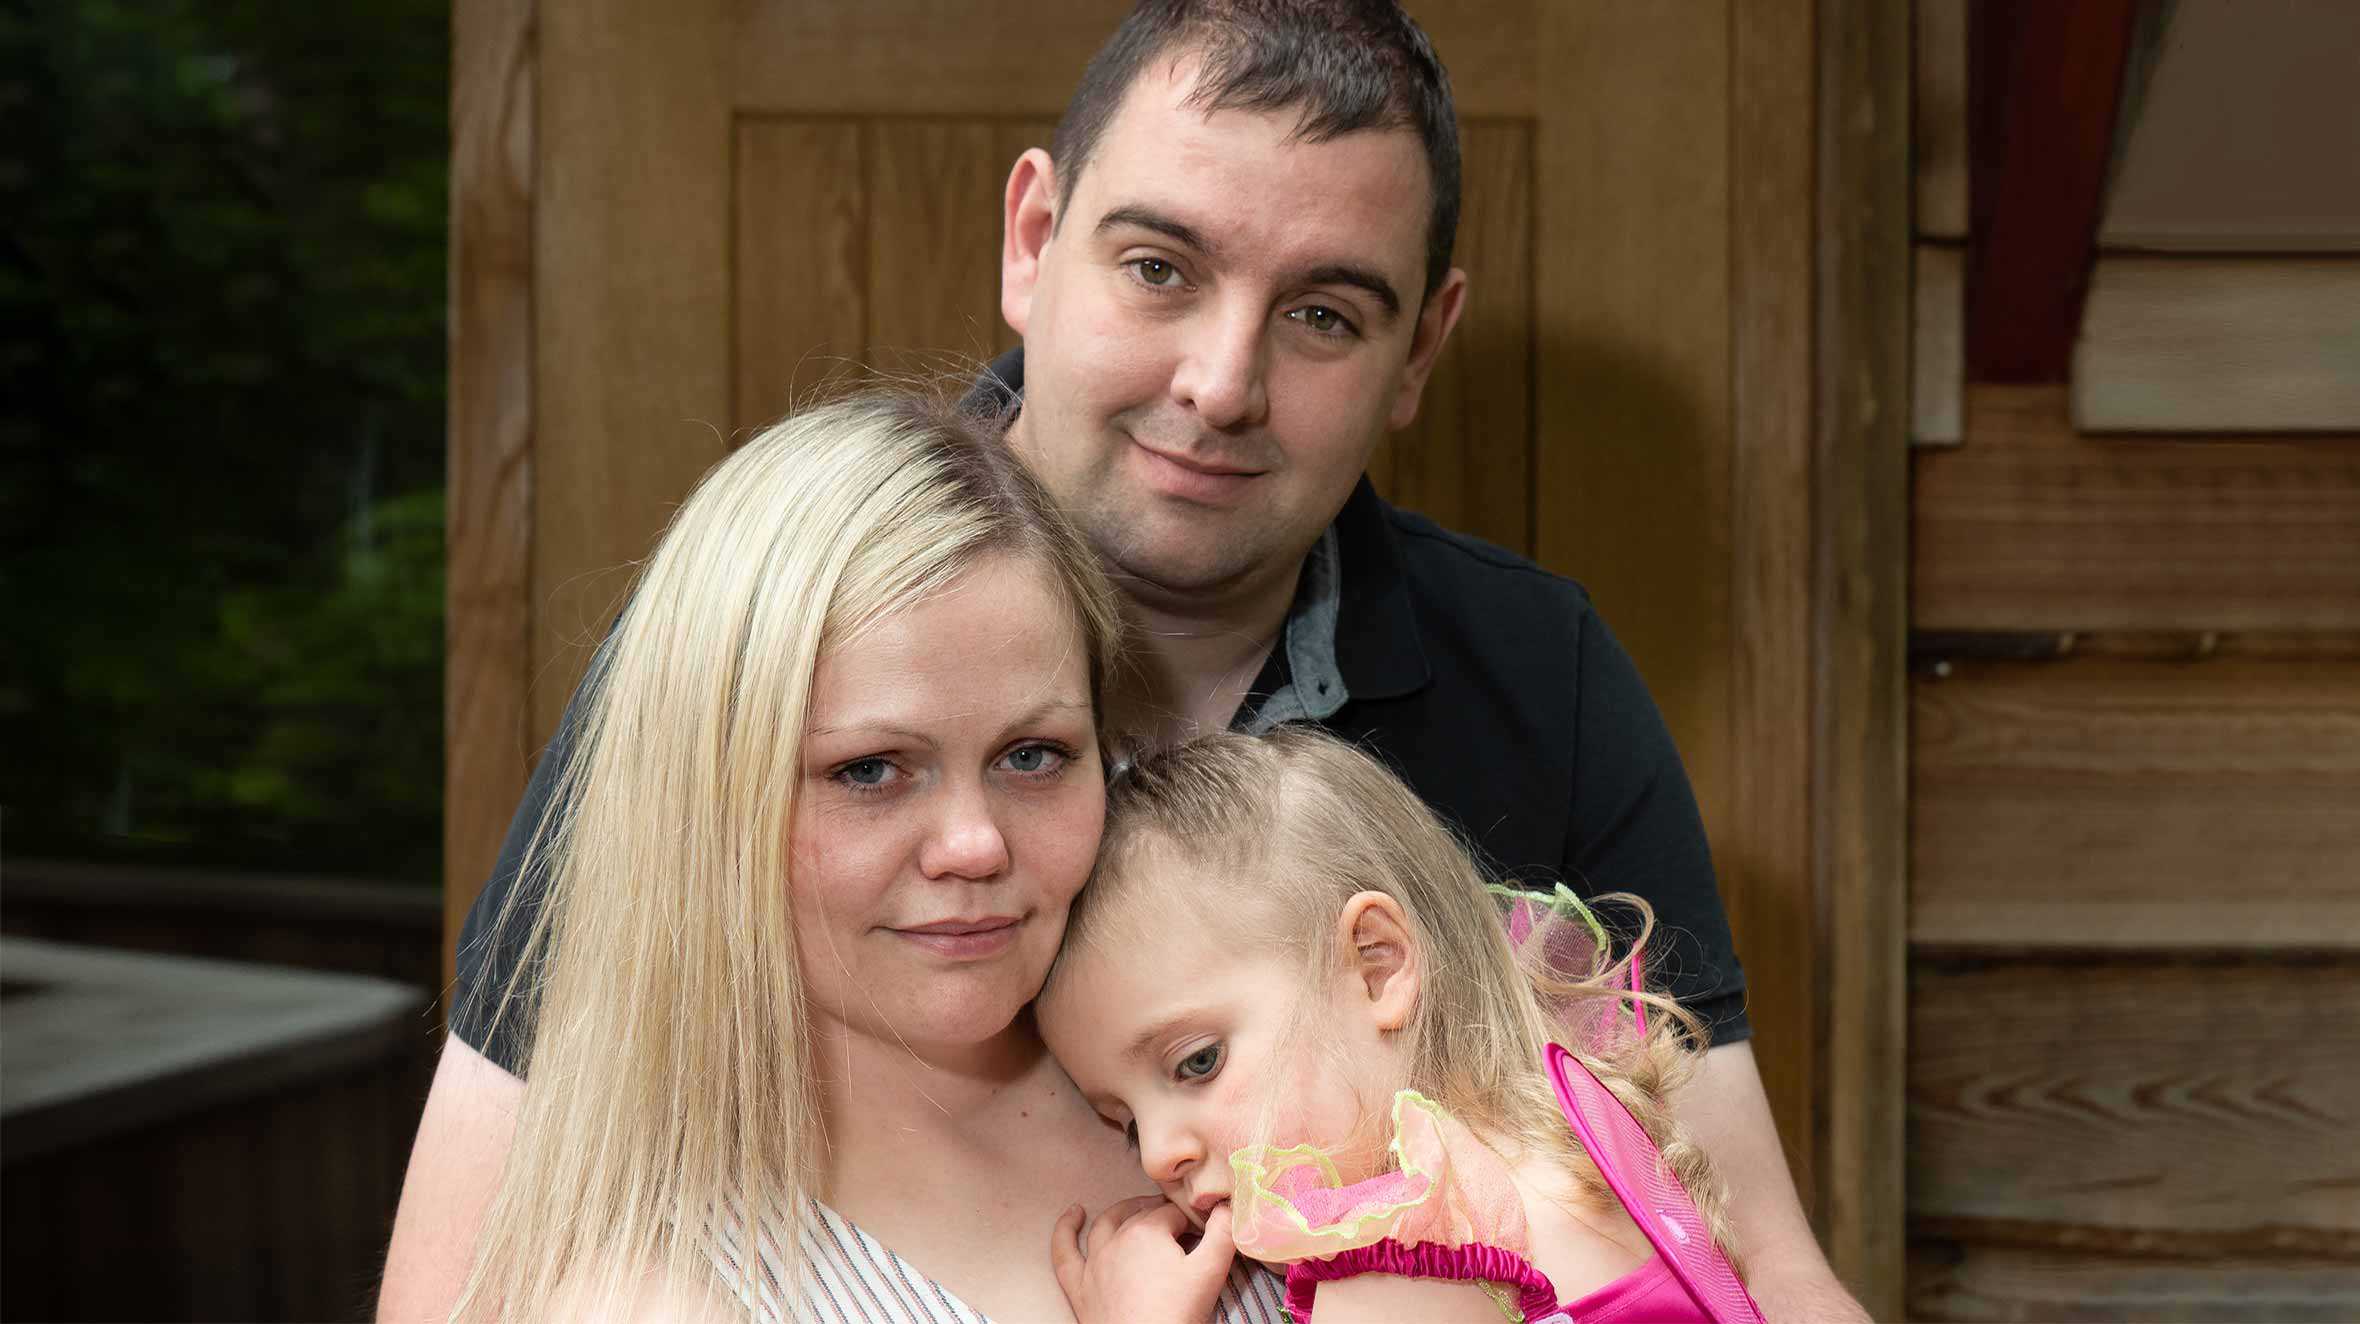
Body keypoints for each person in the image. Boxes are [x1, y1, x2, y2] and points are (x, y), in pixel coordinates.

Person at [386, 3, 1867, 1320]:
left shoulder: (1531, 680)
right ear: (1034, 239)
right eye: (1160, 266)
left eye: (1323, 316)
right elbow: (470, 1267)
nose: (1220, 384)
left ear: (1423, 350)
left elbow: (1753, 1257)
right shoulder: (770, 643)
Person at [405, 391, 1291, 1321]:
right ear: (711, 803)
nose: (974, 844)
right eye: (870, 770)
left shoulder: (1248, 1066)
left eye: (1033, 756)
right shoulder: (660, 1296)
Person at [1038, 727, 1761, 1324]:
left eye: (1197, 1062)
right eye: (1126, 1123)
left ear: (1377, 965)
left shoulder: (1407, 1264)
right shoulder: (1580, 1133)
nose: (1159, 1156)